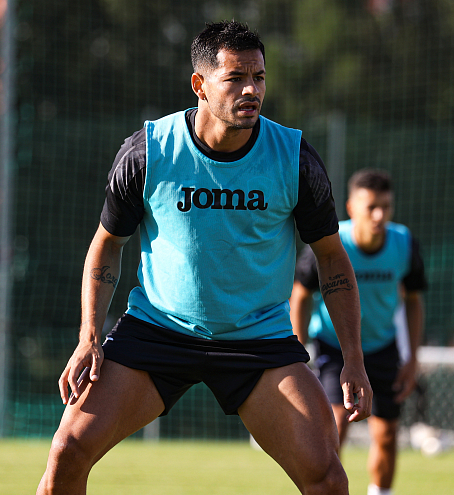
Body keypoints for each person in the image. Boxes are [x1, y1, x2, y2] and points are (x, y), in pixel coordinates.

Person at [37, 20, 372, 495]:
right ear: (200, 84)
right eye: (235, 77)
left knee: (327, 479)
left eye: (259, 76)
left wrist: (353, 359)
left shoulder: (295, 158)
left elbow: (332, 259)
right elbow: (107, 243)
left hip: (257, 339)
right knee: (66, 452)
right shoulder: (148, 152)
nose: (251, 89)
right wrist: (88, 337)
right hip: (158, 331)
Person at [290, 169, 427, 495]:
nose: (379, 215)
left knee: (387, 434)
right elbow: (301, 294)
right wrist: (297, 350)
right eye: (371, 207)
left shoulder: (404, 243)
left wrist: (412, 358)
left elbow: (413, 301)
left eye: (386, 207)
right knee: (336, 426)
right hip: (334, 346)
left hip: (382, 347)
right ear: (352, 208)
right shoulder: (331, 243)